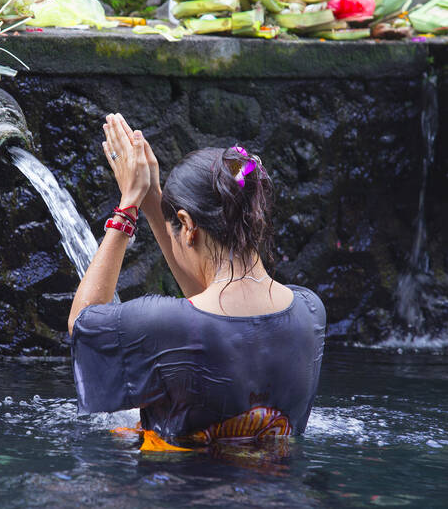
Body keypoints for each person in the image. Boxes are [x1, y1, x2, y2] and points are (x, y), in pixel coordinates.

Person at [68, 113, 326, 447]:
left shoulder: (164, 323)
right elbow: (213, 313)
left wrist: (128, 206)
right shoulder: (310, 311)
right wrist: (154, 203)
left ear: (188, 226)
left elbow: (83, 324)